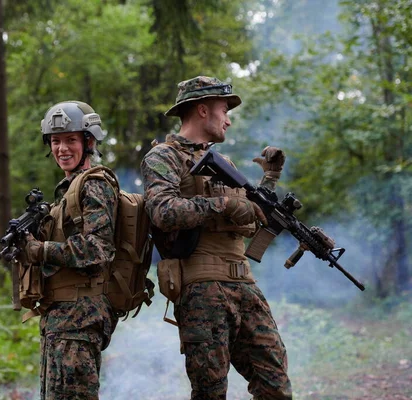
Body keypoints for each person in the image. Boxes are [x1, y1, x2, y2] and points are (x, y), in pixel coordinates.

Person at [141, 76, 292, 399]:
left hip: (244, 286)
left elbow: (250, 220)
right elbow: (163, 212)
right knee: (210, 391)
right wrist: (224, 205)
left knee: (275, 384)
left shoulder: (225, 165)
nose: (229, 119)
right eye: (224, 109)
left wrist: (269, 181)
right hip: (202, 289)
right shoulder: (163, 157)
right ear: (202, 110)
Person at [20, 101, 119, 400]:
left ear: (88, 142)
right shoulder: (69, 189)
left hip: (80, 319)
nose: (62, 149)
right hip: (61, 320)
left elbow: (98, 249)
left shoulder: (95, 186)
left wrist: (40, 250)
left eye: (70, 140)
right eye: (55, 141)